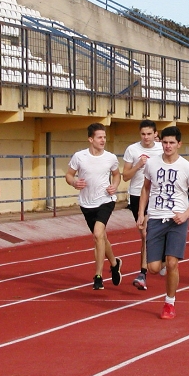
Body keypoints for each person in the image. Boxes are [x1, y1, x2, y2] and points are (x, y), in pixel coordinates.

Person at [138, 126, 189, 319]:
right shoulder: (152, 164)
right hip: (156, 218)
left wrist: (186, 214)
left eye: (171, 143)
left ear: (179, 144)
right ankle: (165, 261)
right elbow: (145, 189)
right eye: (165, 142)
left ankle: (169, 303)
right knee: (153, 268)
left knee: (173, 263)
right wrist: (141, 213)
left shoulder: (187, 167)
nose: (168, 146)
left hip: (177, 220)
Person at [65, 123, 122, 291]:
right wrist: (74, 182)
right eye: (99, 137)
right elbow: (69, 175)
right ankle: (114, 263)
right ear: (91, 139)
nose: (103, 140)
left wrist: (115, 185)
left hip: (106, 200)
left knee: (97, 235)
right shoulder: (79, 156)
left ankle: (98, 276)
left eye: (104, 137)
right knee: (101, 238)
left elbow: (116, 175)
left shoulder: (110, 157)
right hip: (86, 203)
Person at [122, 119, 163, 291]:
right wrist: (139, 164)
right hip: (137, 195)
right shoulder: (132, 150)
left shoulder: (162, 149)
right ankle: (156, 261)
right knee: (144, 235)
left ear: (155, 134)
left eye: (149, 134)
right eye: (143, 134)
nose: (146, 137)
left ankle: (142, 274)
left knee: (147, 233)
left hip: (157, 196)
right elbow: (125, 176)